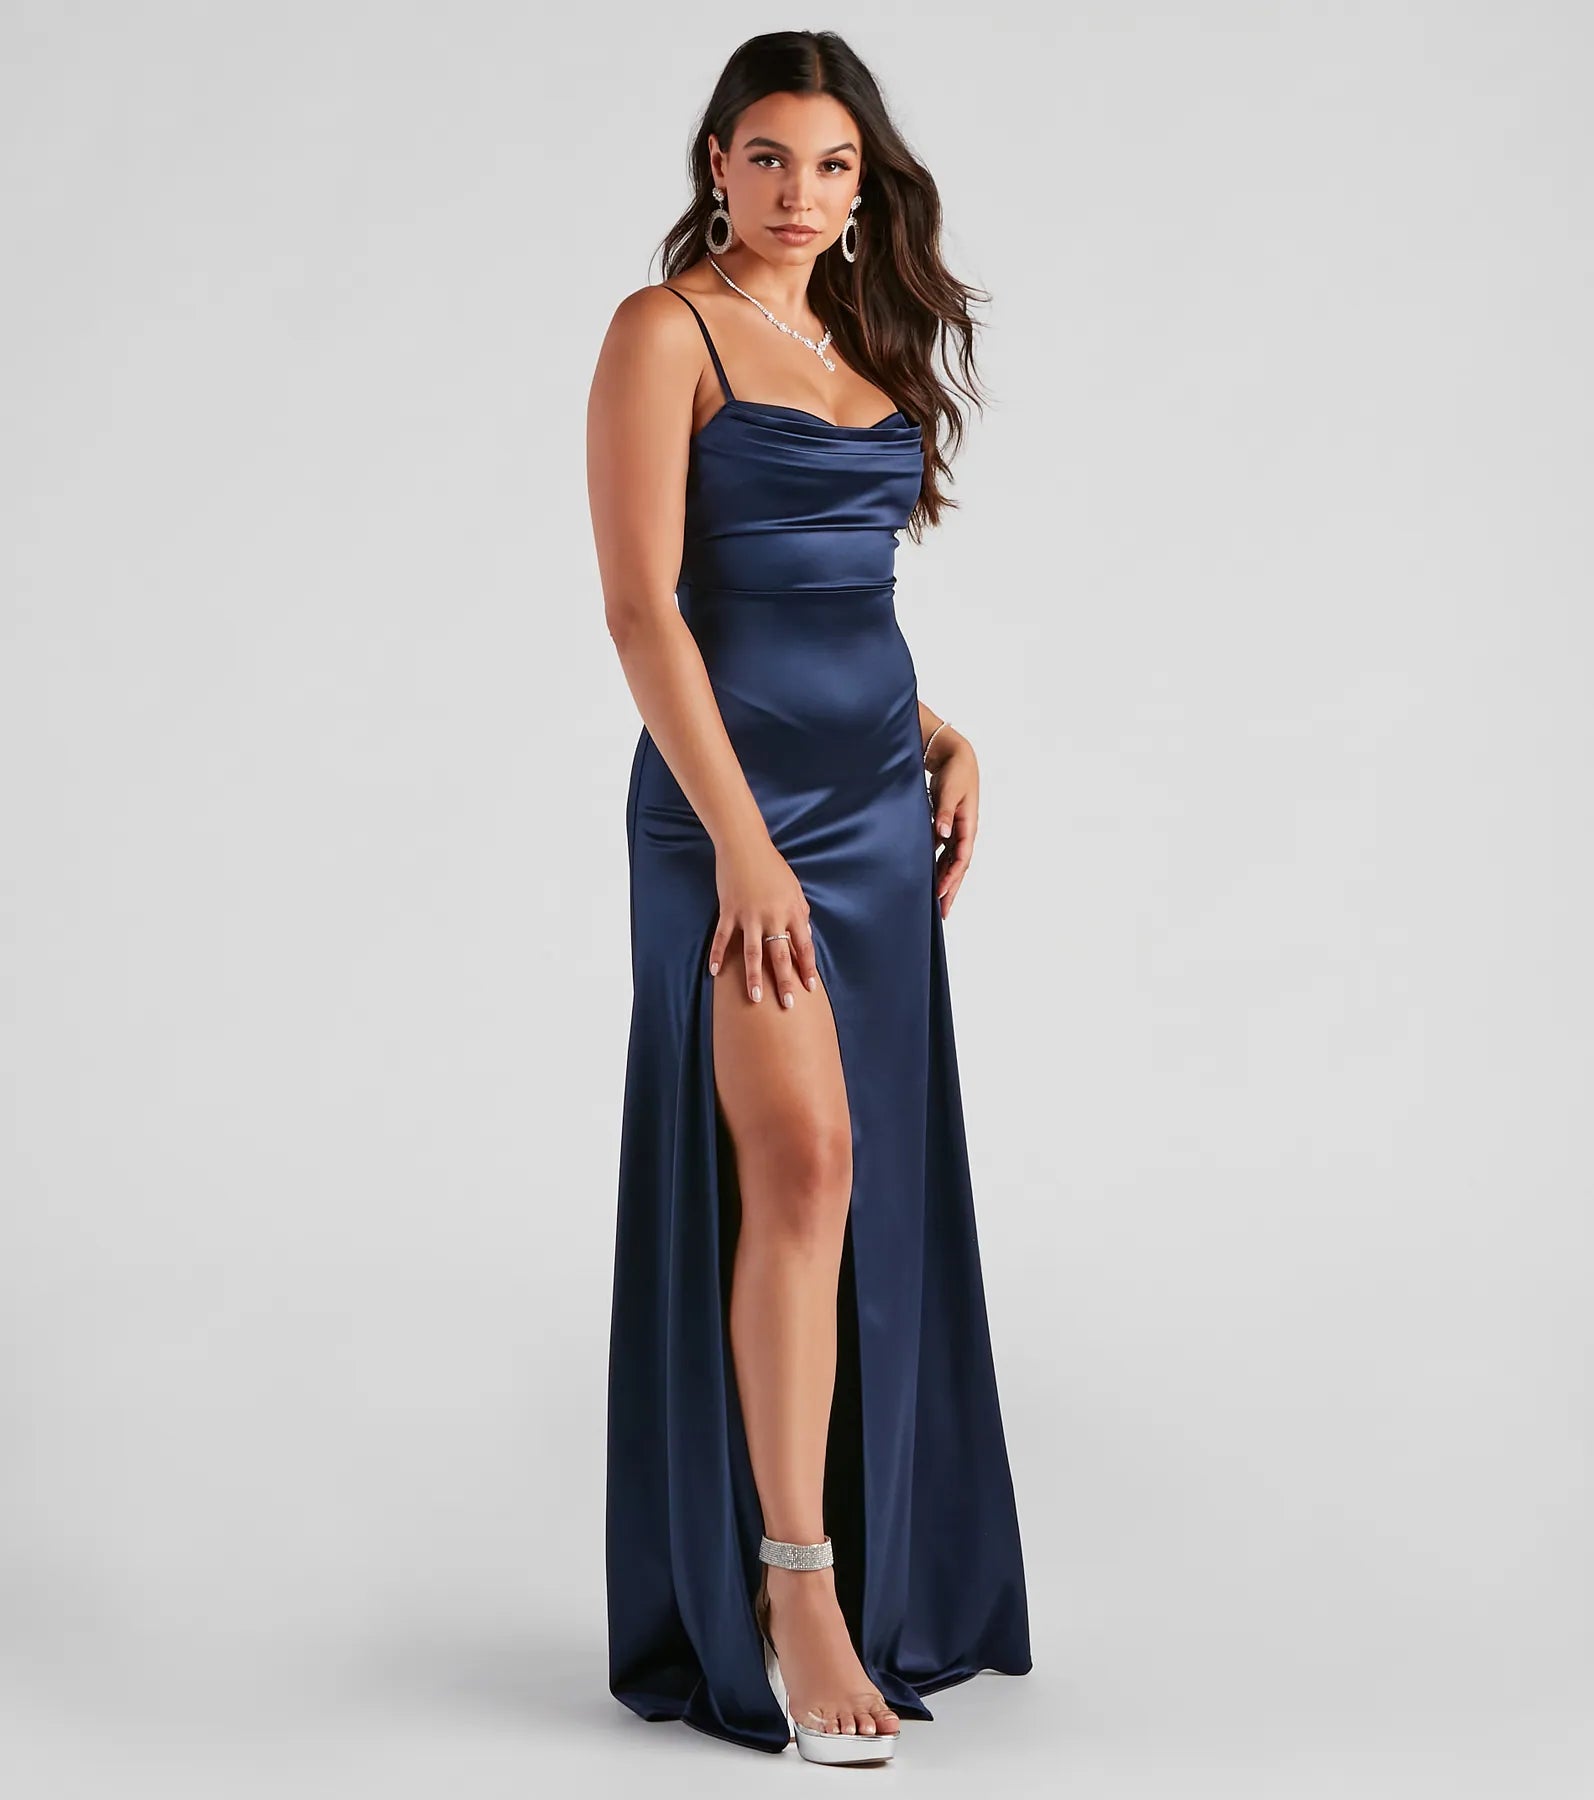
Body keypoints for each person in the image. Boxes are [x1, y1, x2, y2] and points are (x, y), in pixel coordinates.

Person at [586, 29, 1032, 1766]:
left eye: (832, 165)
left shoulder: (852, 335)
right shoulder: (664, 331)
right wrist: (743, 842)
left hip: (869, 805)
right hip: (729, 816)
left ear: (864, 187)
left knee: (866, 1183)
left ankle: (874, 1551)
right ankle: (793, 1585)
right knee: (805, 1164)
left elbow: (838, 599)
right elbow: (647, 610)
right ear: (716, 162)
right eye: (768, 156)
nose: (799, 191)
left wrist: (934, 730)